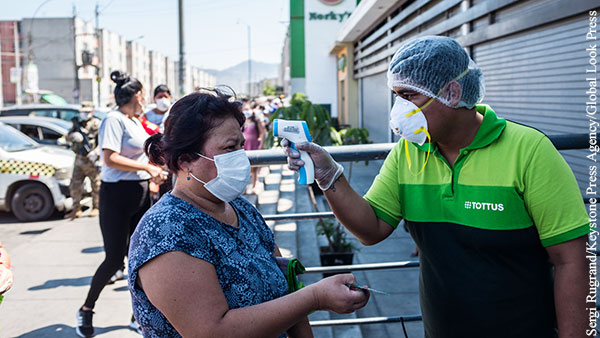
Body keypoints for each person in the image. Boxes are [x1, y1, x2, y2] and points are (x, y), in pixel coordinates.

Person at [284, 36, 589, 338]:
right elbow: (372, 228)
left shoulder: (530, 151)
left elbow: (571, 260)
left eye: (409, 96)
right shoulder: (407, 153)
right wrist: (329, 176)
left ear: (452, 93)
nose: (398, 110)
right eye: (396, 96)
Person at [128, 89, 369, 337]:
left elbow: (284, 288)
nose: (241, 157)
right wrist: (315, 297)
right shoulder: (165, 232)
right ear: (184, 161)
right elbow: (213, 332)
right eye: (229, 147)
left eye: (241, 145)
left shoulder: (240, 208)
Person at [76, 70, 164, 338]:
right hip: (116, 197)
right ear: (137, 95)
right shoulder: (113, 120)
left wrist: (152, 172)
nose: (146, 98)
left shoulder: (135, 121)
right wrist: (146, 169)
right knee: (114, 259)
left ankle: (138, 316)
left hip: (139, 196)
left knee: (141, 260)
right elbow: (110, 158)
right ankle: (86, 309)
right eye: (144, 93)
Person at [65, 102, 101, 219]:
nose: (84, 114)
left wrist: (95, 152)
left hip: (91, 159)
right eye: (83, 112)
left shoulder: (97, 124)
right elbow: (67, 137)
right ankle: (76, 209)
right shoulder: (77, 123)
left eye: (87, 112)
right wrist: (73, 136)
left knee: (96, 185)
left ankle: (96, 207)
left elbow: (102, 141)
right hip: (79, 159)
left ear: (92, 112)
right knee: (75, 185)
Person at [242, 108, 266, 194]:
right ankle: (243, 188)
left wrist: (261, 145)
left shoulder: (256, 121)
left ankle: (253, 186)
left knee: (253, 168)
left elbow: (262, 133)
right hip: (244, 146)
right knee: (244, 169)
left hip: (254, 145)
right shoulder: (242, 121)